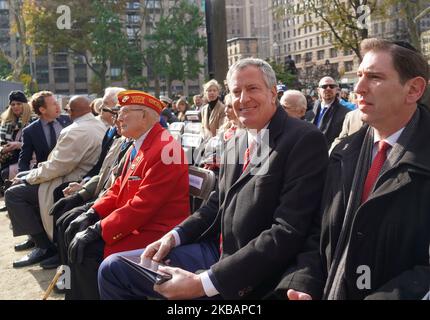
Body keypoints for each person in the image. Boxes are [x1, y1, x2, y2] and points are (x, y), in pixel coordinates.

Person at [97, 58, 328, 300]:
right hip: (214, 251)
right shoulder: (236, 140)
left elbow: (287, 231)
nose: (243, 99)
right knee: (114, 269)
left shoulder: (303, 139)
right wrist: (173, 237)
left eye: (252, 89)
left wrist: (203, 283)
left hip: (251, 271)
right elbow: (215, 205)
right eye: (236, 91)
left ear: (272, 93)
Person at [275, 38, 430, 300]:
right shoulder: (342, 153)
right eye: (359, 75)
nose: (358, 87)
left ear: (413, 89)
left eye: (375, 77)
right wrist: (304, 281)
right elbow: (319, 231)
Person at [63, 90, 190, 299]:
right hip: (136, 224)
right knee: (74, 234)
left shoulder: (165, 149)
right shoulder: (142, 144)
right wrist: (93, 213)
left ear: (145, 116)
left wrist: (98, 229)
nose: (118, 117)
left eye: (125, 112)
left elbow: (143, 205)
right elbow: (118, 188)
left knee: (87, 251)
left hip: (155, 231)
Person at [5, 96, 106, 268]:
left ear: (72, 112)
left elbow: (57, 167)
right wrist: (26, 174)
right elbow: (29, 158)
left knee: (13, 194)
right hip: (65, 176)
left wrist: (28, 177)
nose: (59, 108)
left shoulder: (73, 128)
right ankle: (38, 240)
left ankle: (45, 247)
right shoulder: (96, 124)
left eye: (64, 107)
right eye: (54, 104)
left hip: (66, 181)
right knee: (20, 189)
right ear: (42, 109)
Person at [18, 91, 71, 173]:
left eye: (57, 103)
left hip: (70, 170)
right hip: (46, 174)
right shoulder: (30, 131)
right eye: (54, 104)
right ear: (42, 110)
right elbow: (24, 160)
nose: (58, 106)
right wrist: (22, 178)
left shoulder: (69, 120)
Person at [0, 91, 34, 188]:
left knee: (6, 173)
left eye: (19, 104)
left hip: (29, 160)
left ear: (25, 105)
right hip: (8, 159)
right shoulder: (6, 122)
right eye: (13, 104)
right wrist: (3, 149)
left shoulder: (33, 121)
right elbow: (2, 143)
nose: (15, 106)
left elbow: (37, 144)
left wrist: (19, 145)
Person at [311, 76, 350, 147]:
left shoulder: (346, 113)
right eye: (324, 86)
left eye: (332, 86)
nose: (328, 88)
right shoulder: (310, 111)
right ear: (318, 90)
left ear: (336, 89)